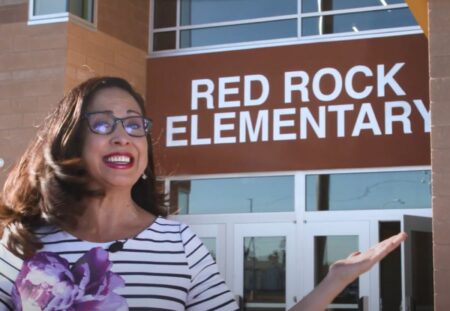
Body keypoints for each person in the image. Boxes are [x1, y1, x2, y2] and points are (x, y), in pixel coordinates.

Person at [0, 76, 406, 311]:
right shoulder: (24, 243)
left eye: (135, 124)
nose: (123, 136)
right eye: (103, 124)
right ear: (70, 139)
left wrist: (333, 282)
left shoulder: (179, 245)